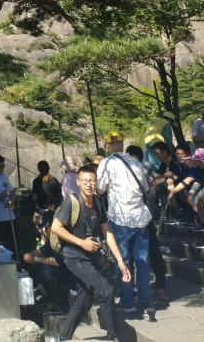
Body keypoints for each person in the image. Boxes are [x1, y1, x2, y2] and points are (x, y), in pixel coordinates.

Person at [50, 164, 130, 342]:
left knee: (84, 300)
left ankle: (63, 337)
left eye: (92, 181)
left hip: (90, 256)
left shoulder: (98, 202)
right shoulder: (71, 201)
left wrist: (120, 261)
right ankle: (112, 336)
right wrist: (81, 243)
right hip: (74, 256)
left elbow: (107, 232)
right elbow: (55, 227)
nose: (89, 185)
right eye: (85, 181)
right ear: (78, 182)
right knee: (106, 290)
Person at [97, 143, 154, 318]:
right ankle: (146, 301)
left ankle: (128, 301)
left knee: (123, 260)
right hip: (140, 218)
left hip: (119, 218)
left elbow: (99, 189)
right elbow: (145, 188)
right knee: (142, 261)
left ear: (107, 145)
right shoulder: (136, 162)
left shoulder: (107, 163)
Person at [125, 145, 168, 301]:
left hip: (135, 218)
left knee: (143, 253)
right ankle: (159, 286)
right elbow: (152, 192)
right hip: (143, 217)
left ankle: (147, 288)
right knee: (151, 252)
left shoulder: (134, 173)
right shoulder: (145, 172)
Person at [22, 210, 71, 313]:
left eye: (44, 228)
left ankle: (60, 304)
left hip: (69, 272)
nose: (43, 231)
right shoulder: (51, 238)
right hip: (61, 270)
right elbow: (42, 250)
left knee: (46, 269)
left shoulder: (61, 237)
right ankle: (50, 297)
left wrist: (35, 259)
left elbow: (58, 261)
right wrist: (29, 255)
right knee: (39, 266)